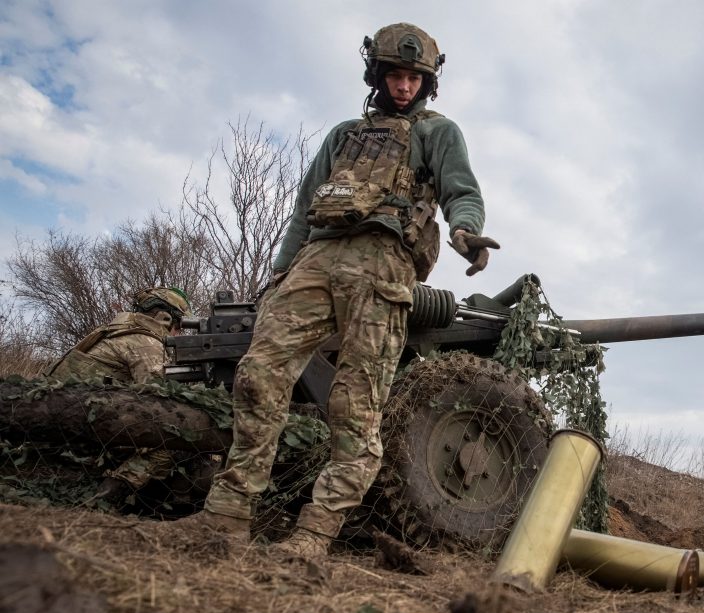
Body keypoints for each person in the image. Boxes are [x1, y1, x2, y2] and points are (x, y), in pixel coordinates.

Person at [181, 23, 499, 555]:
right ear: (378, 76)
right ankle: (225, 516)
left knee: (357, 405)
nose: (403, 86)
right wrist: (279, 276)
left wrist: (466, 232)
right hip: (317, 259)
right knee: (259, 376)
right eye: (395, 75)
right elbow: (303, 210)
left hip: (383, 266)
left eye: (413, 78)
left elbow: (460, 191)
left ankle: (314, 533)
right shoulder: (343, 135)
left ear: (427, 83)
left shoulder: (438, 133)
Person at [48, 287, 193, 506]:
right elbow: (162, 406)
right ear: (164, 318)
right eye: (180, 326)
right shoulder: (145, 343)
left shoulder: (117, 333)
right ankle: (104, 501)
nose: (179, 333)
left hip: (68, 423)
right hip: (76, 433)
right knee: (174, 438)